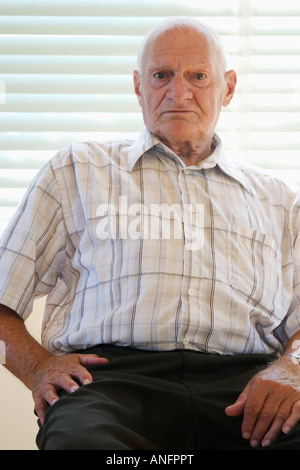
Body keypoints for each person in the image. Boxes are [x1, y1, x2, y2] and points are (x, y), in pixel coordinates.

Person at [0, 16, 300, 451]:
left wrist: (293, 368)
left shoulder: (280, 201)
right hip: (110, 385)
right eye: (162, 75)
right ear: (139, 87)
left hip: (247, 390)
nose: (179, 93)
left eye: (198, 76)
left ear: (228, 88)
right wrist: (38, 367)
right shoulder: (77, 170)